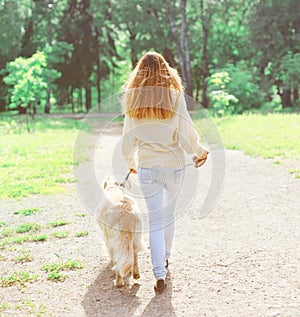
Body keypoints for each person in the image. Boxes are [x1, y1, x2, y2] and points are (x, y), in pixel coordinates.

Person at [121, 51, 209, 293]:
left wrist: (130, 161)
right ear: (165, 70)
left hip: (148, 168)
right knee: (168, 217)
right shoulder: (174, 97)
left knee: (156, 220)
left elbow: (127, 139)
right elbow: (187, 130)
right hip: (174, 167)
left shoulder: (132, 99)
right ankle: (166, 258)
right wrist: (199, 151)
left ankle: (159, 271)